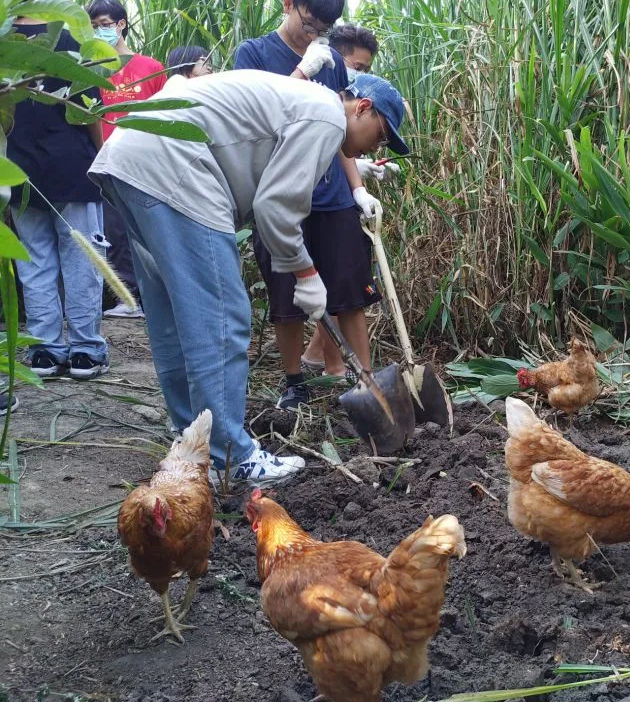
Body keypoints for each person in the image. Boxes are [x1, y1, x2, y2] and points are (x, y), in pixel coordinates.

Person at [88, 69, 410, 487]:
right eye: (380, 135)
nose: (375, 144)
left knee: (172, 312)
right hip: (178, 171)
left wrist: (356, 173)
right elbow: (275, 208)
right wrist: (306, 274)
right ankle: (230, 456)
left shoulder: (309, 105)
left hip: (134, 159)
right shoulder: (327, 117)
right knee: (223, 316)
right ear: (362, 107)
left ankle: (191, 439)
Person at [233, 0, 386, 412]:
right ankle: (294, 382)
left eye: (325, 27)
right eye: (311, 22)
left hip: (332, 194)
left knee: (350, 288)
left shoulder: (332, 61)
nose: (316, 34)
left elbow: (339, 129)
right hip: (279, 194)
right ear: (288, 4)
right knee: (286, 296)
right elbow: (257, 123)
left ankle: (367, 381)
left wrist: (356, 186)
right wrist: (303, 71)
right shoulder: (255, 53)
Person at [0, 0, 109, 382]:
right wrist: (103, 161)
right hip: (73, 167)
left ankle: (45, 350)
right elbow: (92, 109)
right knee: (83, 258)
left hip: (19, 173)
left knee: (36, 262)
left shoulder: (4, 39)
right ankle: (84, 351)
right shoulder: (73, 36)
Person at [300, 23, 399, 376]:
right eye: (356, 67)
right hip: (311, 203)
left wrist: (359, 182)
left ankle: (322, 360)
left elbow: (340, 149)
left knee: (348, 288)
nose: (357, 75)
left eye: (365, 70)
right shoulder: (314, 94)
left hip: (338, 198)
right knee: (333, 292)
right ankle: (335, 370)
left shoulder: (340, 110)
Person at [87, 0, 167, 319]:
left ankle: (158, 295)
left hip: (146, 162)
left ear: (121, 25)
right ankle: (128, 297)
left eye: (105, 25)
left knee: (151, 229)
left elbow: (164, 112)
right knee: (116, 230)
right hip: (105, 160)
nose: (99, 31)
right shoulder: (92, 70)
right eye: (93, 27)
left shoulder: (151, 68)